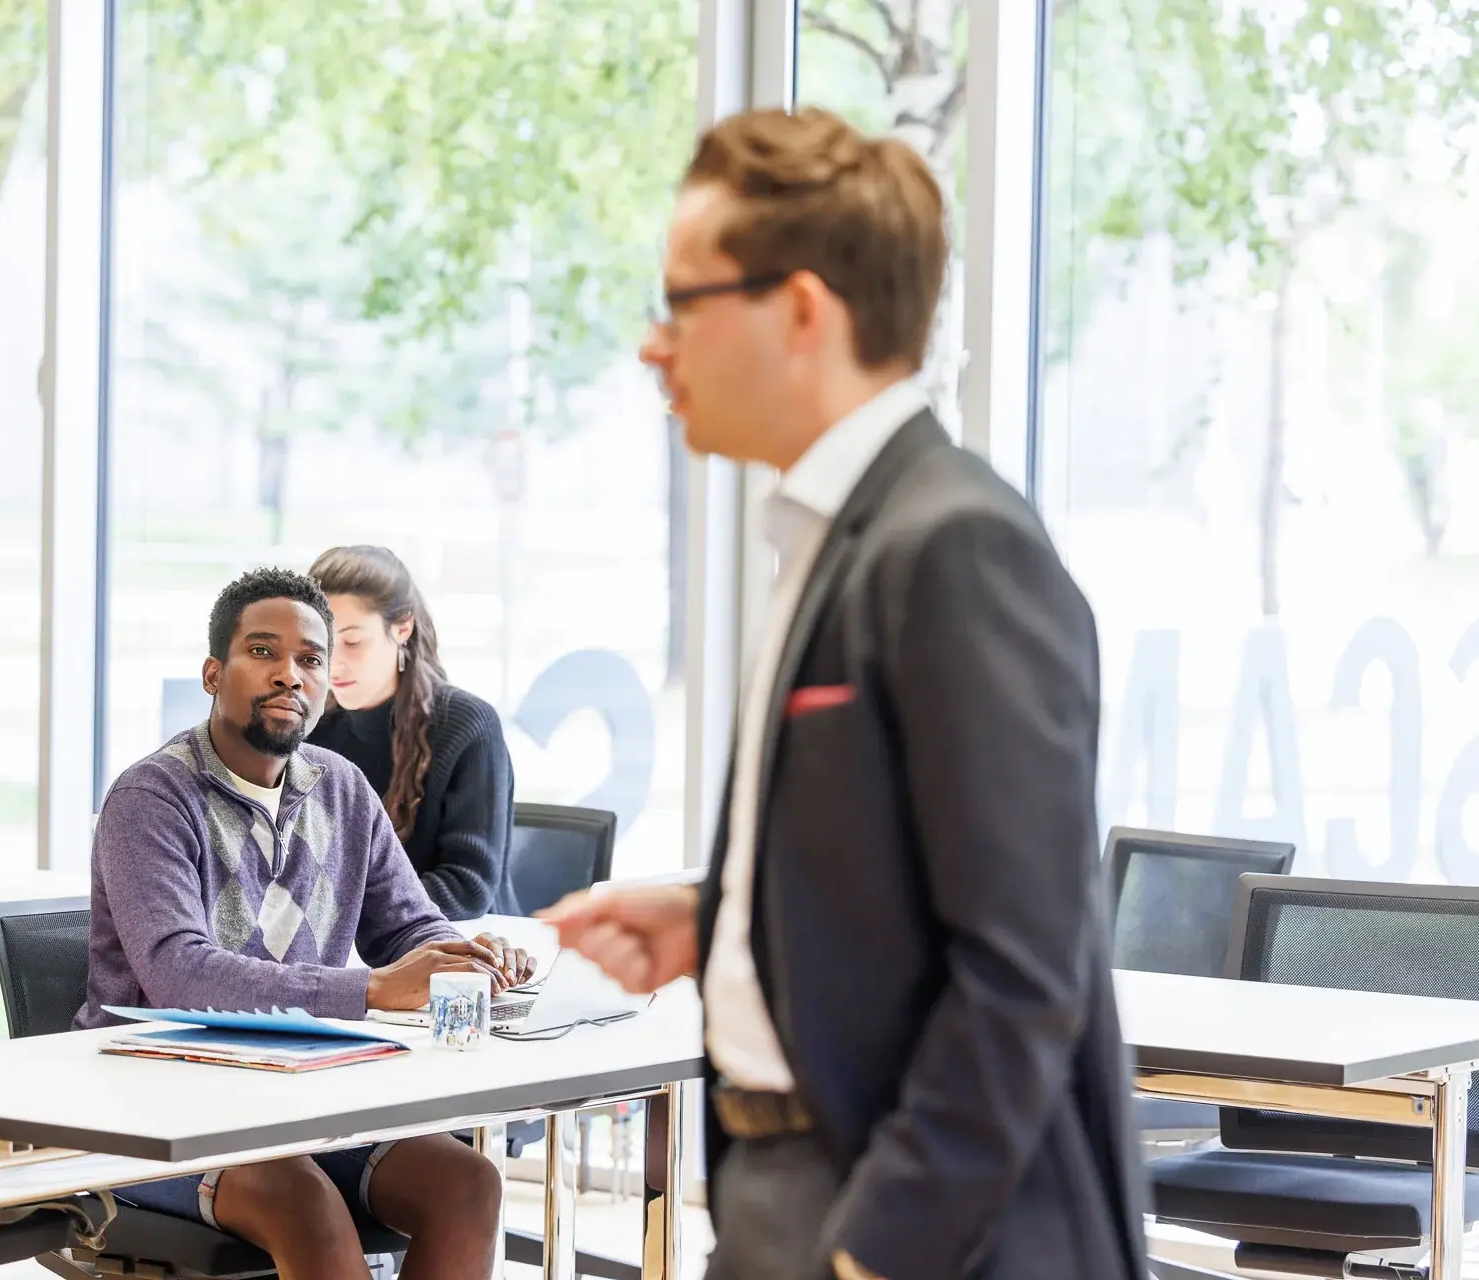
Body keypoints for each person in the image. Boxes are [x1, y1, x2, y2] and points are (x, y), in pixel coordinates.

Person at [541, 108, 1149, 1280]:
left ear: (802, 310)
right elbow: (896, 861)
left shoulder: (954, 543)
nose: (652, 346)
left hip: (917, 1223)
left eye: (683, 301)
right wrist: (725, 918)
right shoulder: (830, 535)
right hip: (786, 1187)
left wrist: (877, 1251)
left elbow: (1023, 969)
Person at [76, 566, 532, 1280]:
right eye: (263, 652)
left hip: (299, 1100)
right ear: (211, 673)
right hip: (152, 1112)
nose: (290, 674)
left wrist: (458, 955)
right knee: (304, 1206)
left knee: (466, 1183)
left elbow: (407, 926)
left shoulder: (342, 790)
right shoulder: (151, 796)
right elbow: (177, 973)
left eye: (311, 659)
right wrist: (373, 990)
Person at [305, 545, 519, 918]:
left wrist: (335, 910)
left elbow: (467, 888)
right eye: (321, 643)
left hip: (468, 950)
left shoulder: (467, 724)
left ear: (402, 626)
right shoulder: (312, 726)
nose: (333, 662)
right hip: (358, 955)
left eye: (352, 641)